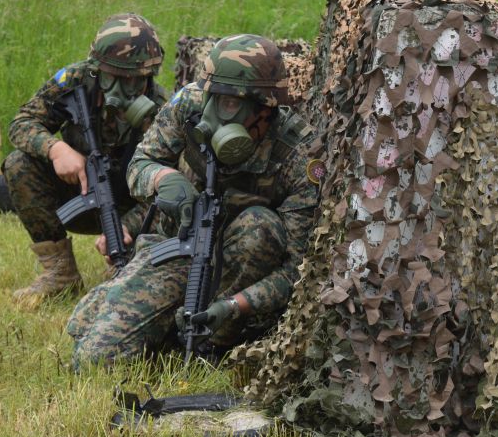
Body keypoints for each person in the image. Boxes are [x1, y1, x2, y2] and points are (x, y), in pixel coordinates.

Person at [68, 34, 320, 366]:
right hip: (178, 245)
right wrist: (163, 178)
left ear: (264, 109)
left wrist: (236, 306)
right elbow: (140, 165)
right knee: (92, 357)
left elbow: (296, 270)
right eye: (212, 97)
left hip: (242, 268)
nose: (211, 114)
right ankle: (154, 319)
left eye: (230, 104)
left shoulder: (298, 155)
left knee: (260, 226)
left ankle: (213, 342)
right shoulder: (189, 103)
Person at [4, 13, 168, 309]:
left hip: (129, 204)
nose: (126, 87)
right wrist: (56, 150)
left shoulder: (161, 111)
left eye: (136, 79)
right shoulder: (75, 80)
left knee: (170, 195)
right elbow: (23, 123)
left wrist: (127, 227)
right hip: (78, 190)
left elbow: (169, 185)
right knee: (19, 164)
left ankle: (125, 262)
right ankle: (60, 273)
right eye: (117, 77)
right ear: (98, 69)